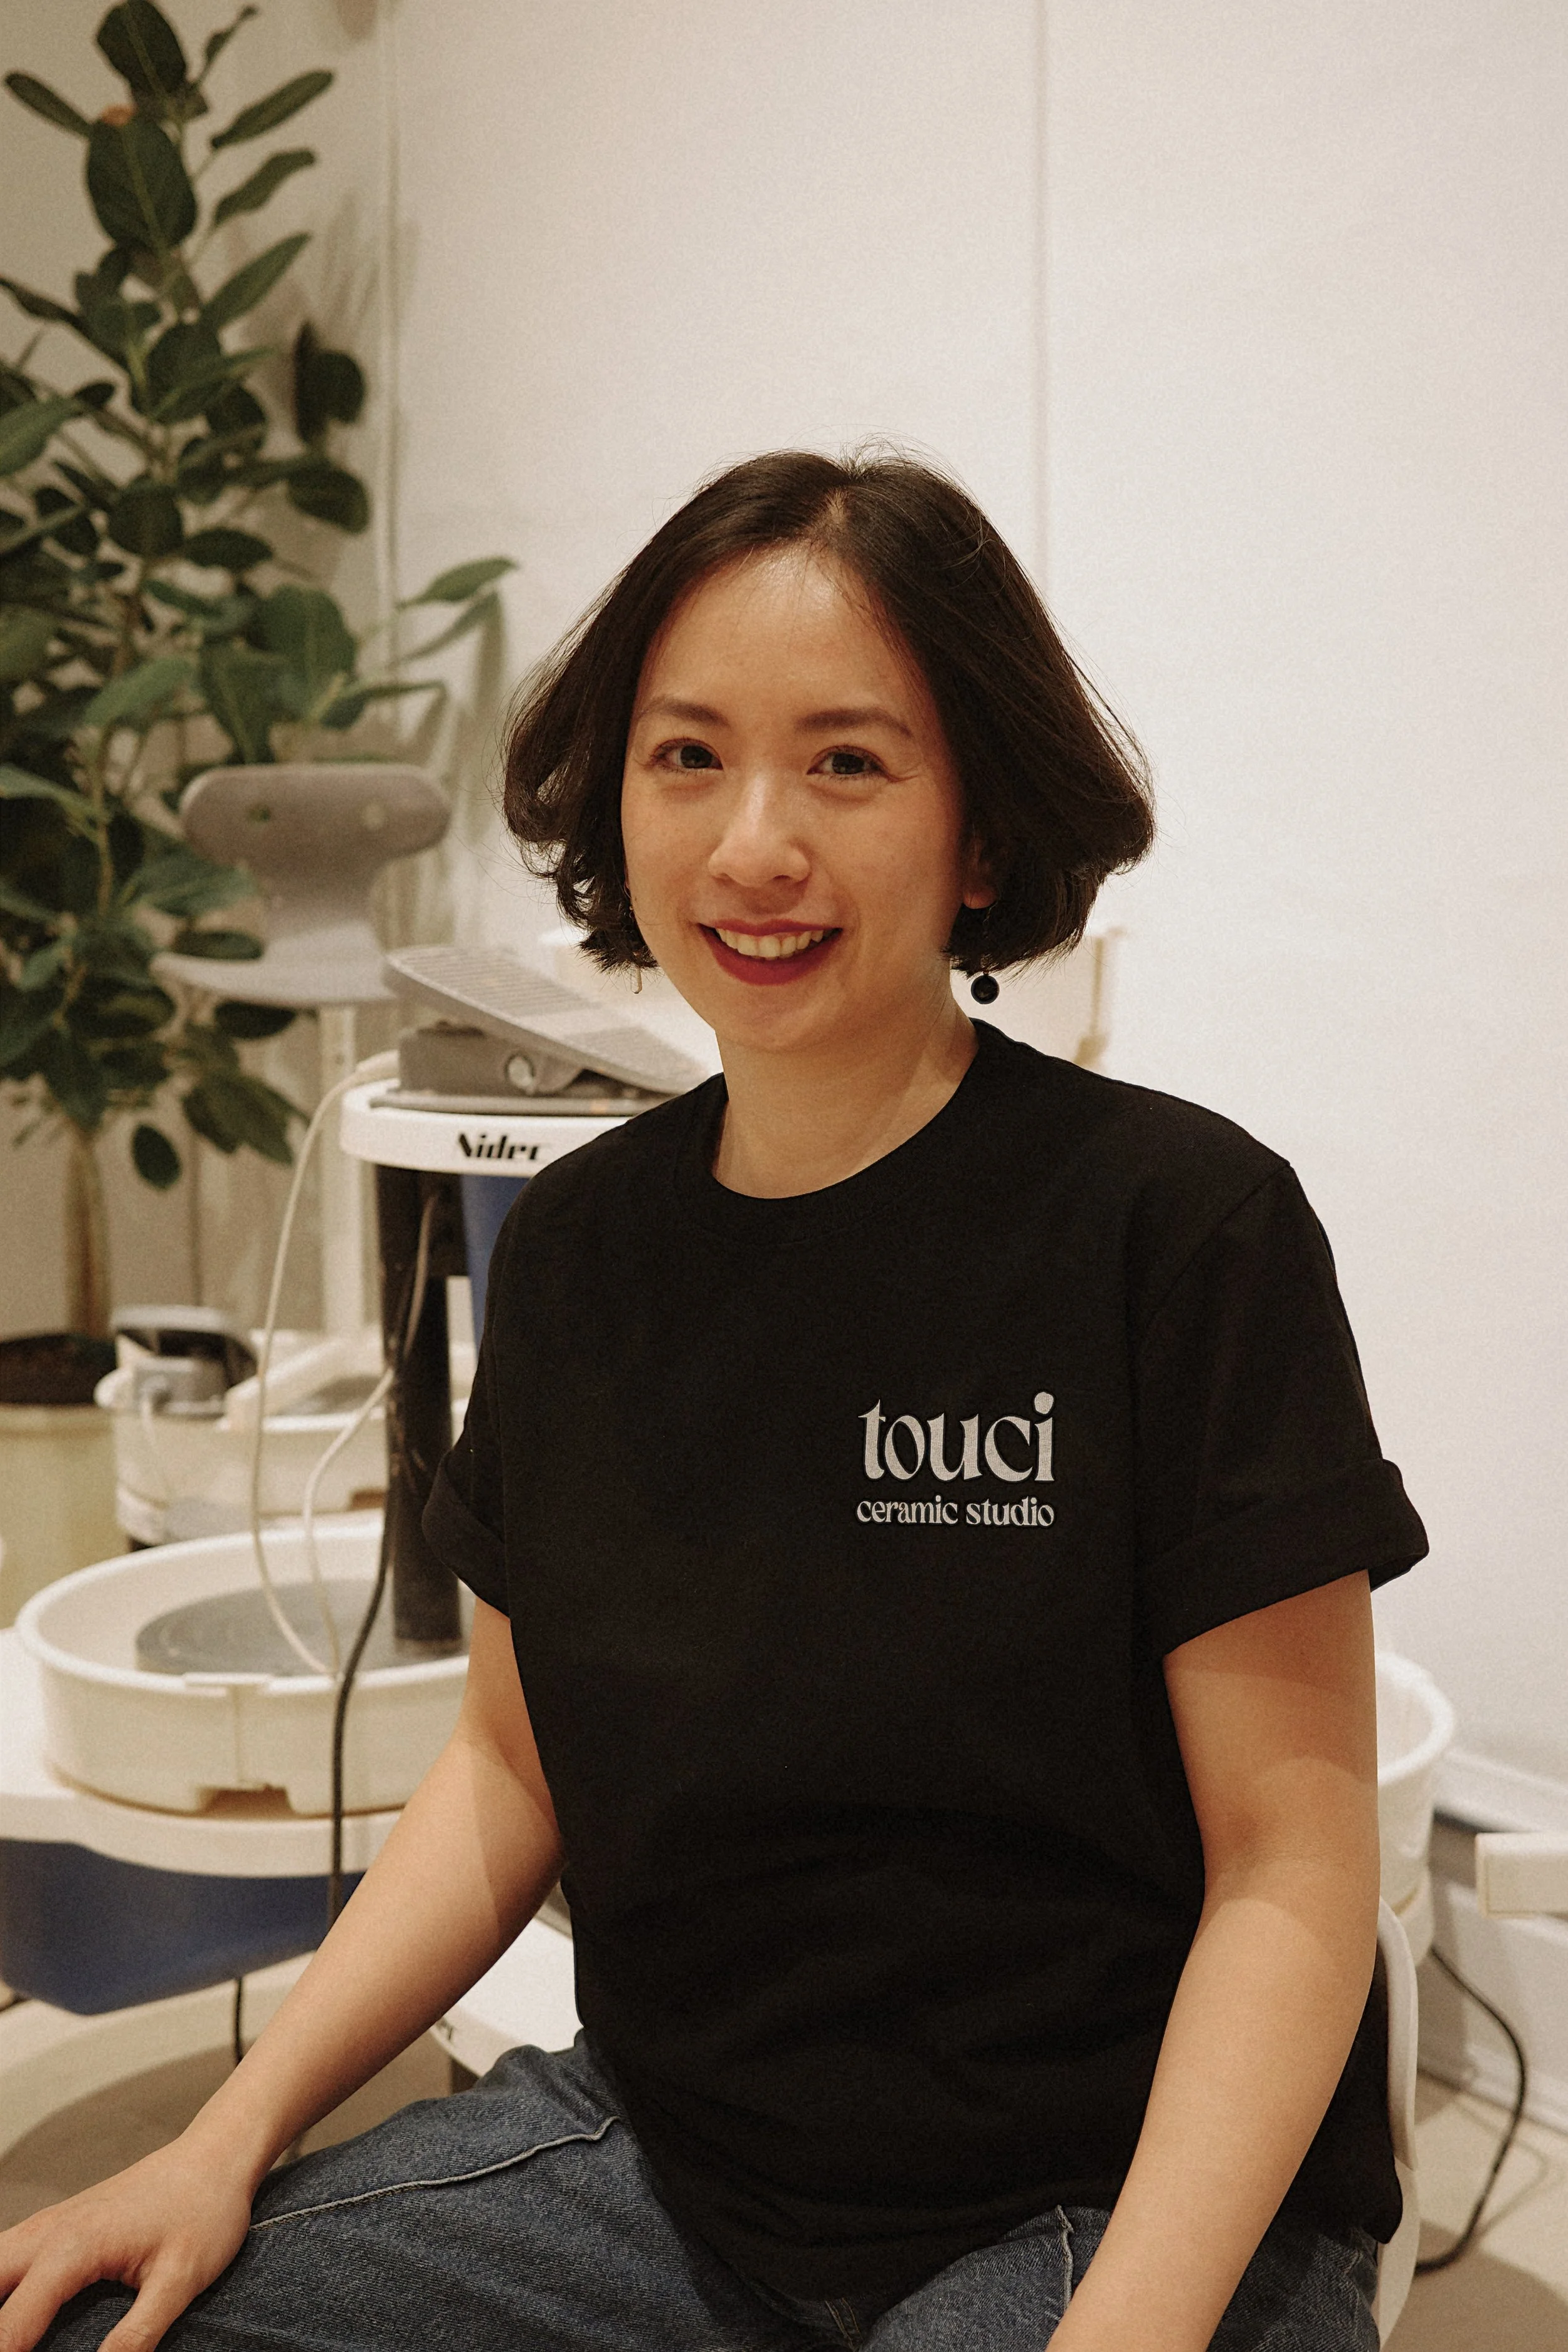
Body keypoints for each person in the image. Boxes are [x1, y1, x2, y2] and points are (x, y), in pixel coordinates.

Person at [1, 450, 1428, 2352]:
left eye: (846, 761)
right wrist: (226, 2134)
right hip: (672, 2166)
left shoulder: (1171, 1225)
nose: (753, 844)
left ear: (978, 836)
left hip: (1104, 2183)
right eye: (687, 757)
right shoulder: (583, 1245)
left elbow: (1291, 1862)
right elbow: (508, 1770)